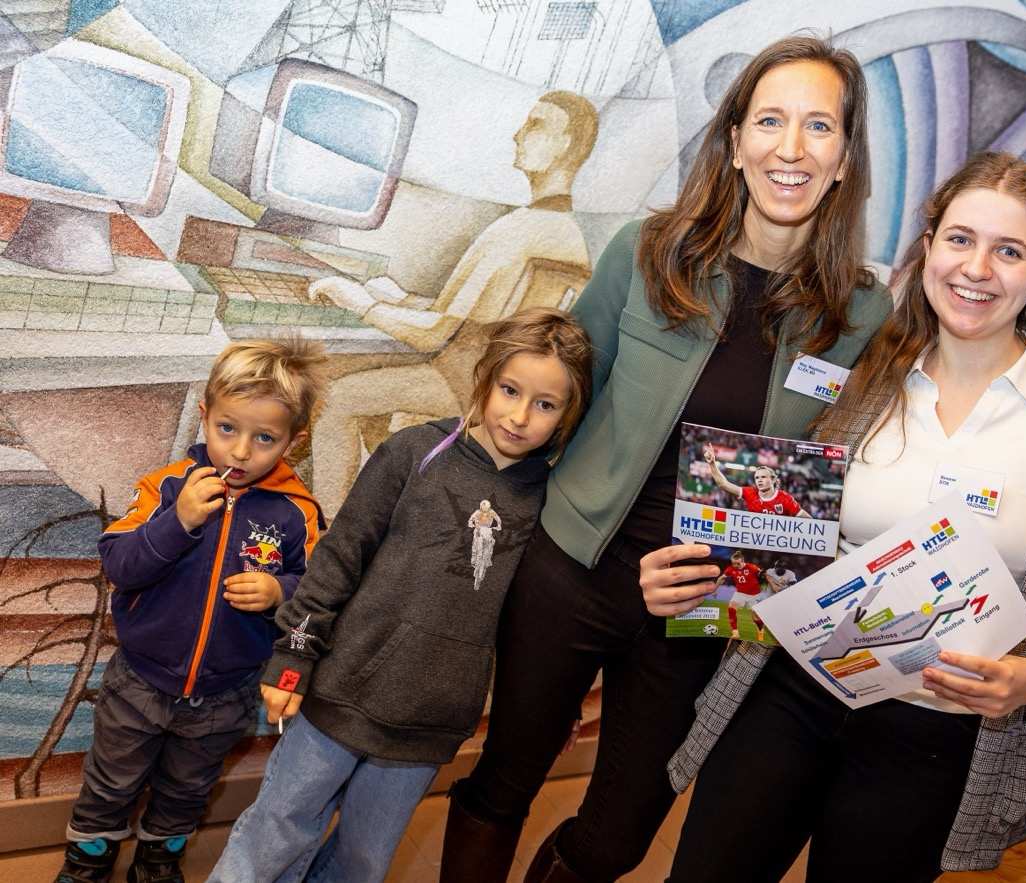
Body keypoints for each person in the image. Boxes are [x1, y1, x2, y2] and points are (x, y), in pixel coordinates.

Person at [440, 35, 889, 883]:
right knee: (503, 782)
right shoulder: (648, 252)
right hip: (574, 569)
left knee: (618, 839)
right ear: (735, 142)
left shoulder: (861, 311)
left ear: (843, 160)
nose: (792, 147)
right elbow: (563, 392)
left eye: (819, 126)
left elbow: (837, 465)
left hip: (702, 606)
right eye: (770, 121)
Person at [652, 152, 1026, 882]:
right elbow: (772, 528)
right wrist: (697, 577)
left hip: (937, 737)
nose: (976, 269)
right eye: (960, 239)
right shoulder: (859, 373)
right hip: (789, 694)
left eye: (1008, 251)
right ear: (929, 246)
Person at [207, 309, 593, 883]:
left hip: (431, 721)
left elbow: (539, 624)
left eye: (545, 404)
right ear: (485, 378)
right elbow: (340, 557)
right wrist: (292, 657)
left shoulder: (549, 500)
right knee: (276, 830)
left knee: (364, 859)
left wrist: (559, 705)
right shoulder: (414, 452)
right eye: (510, 390)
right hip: (341, 692)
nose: (519, 416)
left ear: (569, 414)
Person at [55, 340, 327, 883]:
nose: (241, 452)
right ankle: (87, 863)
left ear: (294, 442)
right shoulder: (166, 486)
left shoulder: (298, 512)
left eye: (264, 438)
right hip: (139, 681)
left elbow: (321, 591)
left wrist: (281, 591)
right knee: (110, 783)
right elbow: (119, 564)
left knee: (188, 790)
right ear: (205, 416)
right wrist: (175, 522)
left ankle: (158, 863)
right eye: (227, 429)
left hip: (227, 692)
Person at [311, 90, 599, 519]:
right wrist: (398, 297)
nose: (519, 134)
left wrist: (361, 303)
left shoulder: (525, 230)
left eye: (536, 125)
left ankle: (326, 528)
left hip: (467, 385)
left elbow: (439, 333)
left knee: (337, 398)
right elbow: (476, 320)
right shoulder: (560, 230)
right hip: (477, 377)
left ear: (567, 144)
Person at [703, 444, 808, 517]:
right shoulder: (750, 493)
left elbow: (809, 522)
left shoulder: (786, 499)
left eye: (763, 477)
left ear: (773, 479)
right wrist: (712, 464)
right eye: (757, 478)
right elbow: (723, 484)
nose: (759, 480)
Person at [718, 550, 768, 641]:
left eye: (738, 563)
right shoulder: (731, 569)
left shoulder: (752, 567)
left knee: (756, 618)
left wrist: (763, 576)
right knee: (731, 608)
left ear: (743, 561)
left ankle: (761, 630)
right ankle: (735, 632)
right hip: (740, 593)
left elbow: (763, 574)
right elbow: (721, 578)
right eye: (733, 563)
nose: (735, 565)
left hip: (754, 595)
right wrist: (715, 588)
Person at [469, 499, 503, 589]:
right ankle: (474, 560)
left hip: (487, 532)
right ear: (481, 507)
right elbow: (471, 519)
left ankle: (486, 559)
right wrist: (471, 524)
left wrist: (499, 525)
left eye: (486, 509)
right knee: (475, 548)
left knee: (490, 545)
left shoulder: (491, 512)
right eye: (483, 508)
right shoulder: (477, 512)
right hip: (479, 531)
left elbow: (498, 519)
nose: (485, 511)